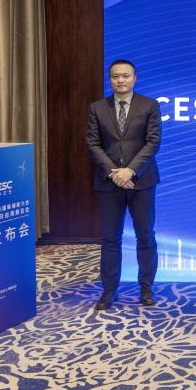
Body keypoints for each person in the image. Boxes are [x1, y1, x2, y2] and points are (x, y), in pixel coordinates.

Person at [85, 59, 161, 310]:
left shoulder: (150, 105)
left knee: (145, 236)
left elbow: (153, 142)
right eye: (115, 76)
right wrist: (114, 173)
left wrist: (130, 171)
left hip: (142, 181)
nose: (121, 80)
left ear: (134, 78)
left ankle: (146, 288)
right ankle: (109, 290)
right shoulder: (97, 108)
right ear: (110, 79)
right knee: (110, 238)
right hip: (109, 184)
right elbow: (92, 144)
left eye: (125, 76)